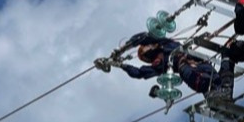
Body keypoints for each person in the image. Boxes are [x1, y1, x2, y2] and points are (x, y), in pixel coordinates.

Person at [99, 31, 234, 100]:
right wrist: (121, 65)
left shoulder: (165, 43)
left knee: (220, 79)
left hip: (203, 65)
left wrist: (125, 47)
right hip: (189, 71)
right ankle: (226, 112)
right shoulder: (160, 64)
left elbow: (145, 36)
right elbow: (140, 73)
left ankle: (227, 110)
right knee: (209, 89)